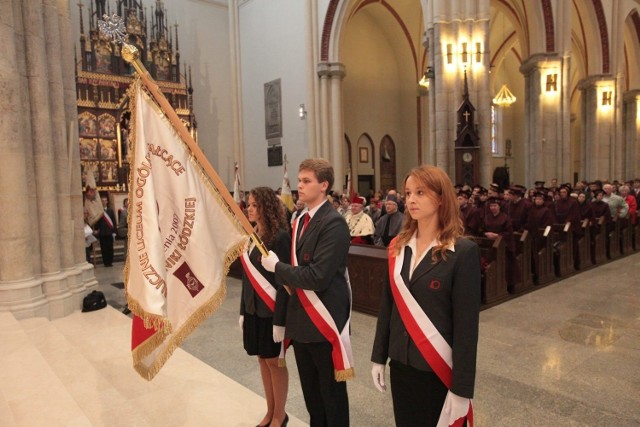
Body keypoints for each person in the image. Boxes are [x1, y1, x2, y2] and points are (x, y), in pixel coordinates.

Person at [371, 165, 480, 427]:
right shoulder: (398, 246)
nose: (410, 200)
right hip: (402, 364)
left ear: (441, 197)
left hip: (437, 369)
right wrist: (378, 356)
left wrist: (462, 389)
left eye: (420, 192)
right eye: (408, 193)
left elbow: (466, 327)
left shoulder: (462, 252)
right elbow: (389, 306)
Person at [261, 158, 353, 427]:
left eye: (306, 181)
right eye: (299, 180)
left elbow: (317, 276)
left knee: (331, 397)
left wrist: (277, 267)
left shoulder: (333, 223)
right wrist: (282, 318)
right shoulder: (301, 219)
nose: (299, 186)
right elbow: (295, 275)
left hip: (323, 321)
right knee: (313, 398)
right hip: (301, 321)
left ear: (323, 185)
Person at [240, 187, 291, 427]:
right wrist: (242, 310)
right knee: (262, 359)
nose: (249, 209)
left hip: (271, 311)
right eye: (248, 205)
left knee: (275, 361)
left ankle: (280, 415)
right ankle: (270, 411)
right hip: (253, 309)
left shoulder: (279, 237)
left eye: (254, 205)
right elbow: (248, 277)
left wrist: (280, 319)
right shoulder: (252, 235)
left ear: (266, 207)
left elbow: (284, 281)